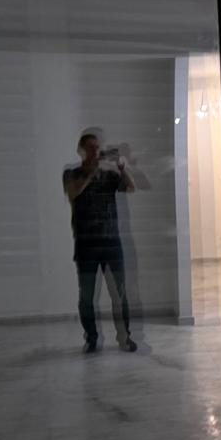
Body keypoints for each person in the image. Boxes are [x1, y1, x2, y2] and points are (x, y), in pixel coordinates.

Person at [63, 130, 137, 353]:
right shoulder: (71, 174)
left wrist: (121, 168)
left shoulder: (109, 176)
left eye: (97, 147)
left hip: (111, 243)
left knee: (120, 294)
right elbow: (73, 193)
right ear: (81, 150)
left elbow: (131, 187)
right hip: (86, 245)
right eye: (91, 148)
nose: (96, 151)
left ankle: (125, 338)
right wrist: (91, 172)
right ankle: (91, 339)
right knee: (86, 296)